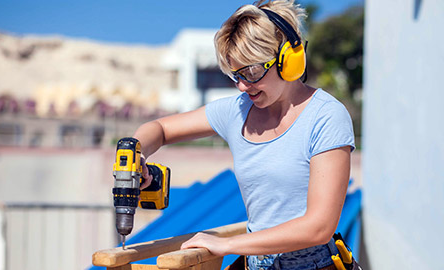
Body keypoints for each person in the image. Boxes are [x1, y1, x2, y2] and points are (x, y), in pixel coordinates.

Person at [134, 0, 355, 269]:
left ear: (287, 60)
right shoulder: (237, 111)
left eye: (251, 72)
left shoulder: (326, 116)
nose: (241, 86)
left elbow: (319, 227)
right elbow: (159, 129)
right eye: (234, 74)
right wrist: (135, 154)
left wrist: (226, 245)